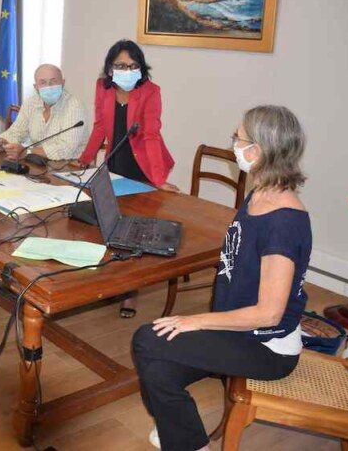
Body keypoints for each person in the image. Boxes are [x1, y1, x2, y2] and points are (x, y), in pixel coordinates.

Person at [132, 105, 311, 451]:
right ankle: (187, 440)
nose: (233, 144)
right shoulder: (260, 194)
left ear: (258, 151)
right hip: (239, 332)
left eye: (238, 138)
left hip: (267, 347)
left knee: (146, 338)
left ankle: (181, 438)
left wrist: (196, 321)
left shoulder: (285, 222)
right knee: (158, 371)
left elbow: (269, 314)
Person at [78, 40, 178, 318]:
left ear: (141, 68)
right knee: (110, 221)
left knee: (137, 230)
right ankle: (113, 280)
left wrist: (158, 179)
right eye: (120, 66)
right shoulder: (103, 87)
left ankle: (130, 294)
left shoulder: (151, 92)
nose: (126, 70)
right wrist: (85, 159)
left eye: (133, 66)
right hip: (115, 162)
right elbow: (99, 126)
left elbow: (151, 135)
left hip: (144, 165)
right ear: (110, 69)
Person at [0, 64, 86, 161]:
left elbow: (66, 149)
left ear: (63, 83)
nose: (49, 86)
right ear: (36, 87)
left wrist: (27, 151)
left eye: (53, 81)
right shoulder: (31, 103)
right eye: (43, 82)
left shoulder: (74, 106)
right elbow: (16, 132)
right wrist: (1, 143)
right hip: (38, 163)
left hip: (70, 168)